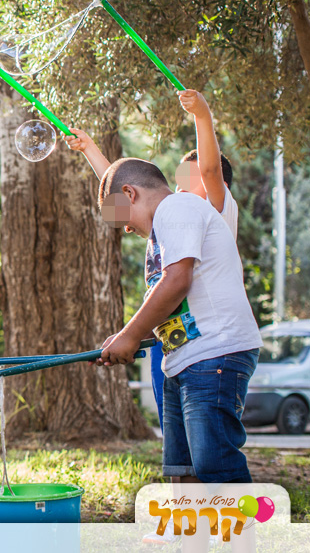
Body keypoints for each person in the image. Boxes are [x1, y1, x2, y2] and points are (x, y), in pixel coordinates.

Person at [63, 88, 238, 434]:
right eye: (179, 184)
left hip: (207, 346)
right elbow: (127, 191)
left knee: (207, 447)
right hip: (170, 342)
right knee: (178, 444)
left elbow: (211, 168)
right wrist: (92, 151)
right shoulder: (170, 215)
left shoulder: (216, 208)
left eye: (193, 182)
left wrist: (202, 116)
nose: (181, 192)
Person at [94, 158, 262, 485]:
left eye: (122, 218)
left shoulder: (177, 208)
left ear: (130, 194)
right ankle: (192, 537)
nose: (126, 228)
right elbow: (173, 302)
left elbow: (176, 282)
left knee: (214, 463)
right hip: (184, 358)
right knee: (181, 468)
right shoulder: (164, 227)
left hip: (215, 351)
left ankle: (242, 536)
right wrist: (127, 338)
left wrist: (130, 335)